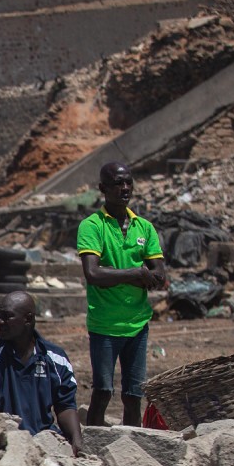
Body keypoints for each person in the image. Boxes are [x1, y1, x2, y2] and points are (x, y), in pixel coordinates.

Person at [78, 162, 167, 427]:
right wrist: (137, 274)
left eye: (128, 182)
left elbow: (159, 276)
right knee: (103, 391)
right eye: (118, 183)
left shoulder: (144, 228)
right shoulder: (92, 226)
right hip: (105, 325)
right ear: (103, 188)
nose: (124, 188)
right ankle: (90, 444)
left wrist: (120, 275)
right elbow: (93, 274)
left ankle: (131, 447)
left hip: (137, 325)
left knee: (133, 395)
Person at [0, 291, 84, 456]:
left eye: (7, 317)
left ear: (28, 319)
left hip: (46, 443)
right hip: (4, 446)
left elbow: (65, 405)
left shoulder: (56, 358)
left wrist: (76, 441)